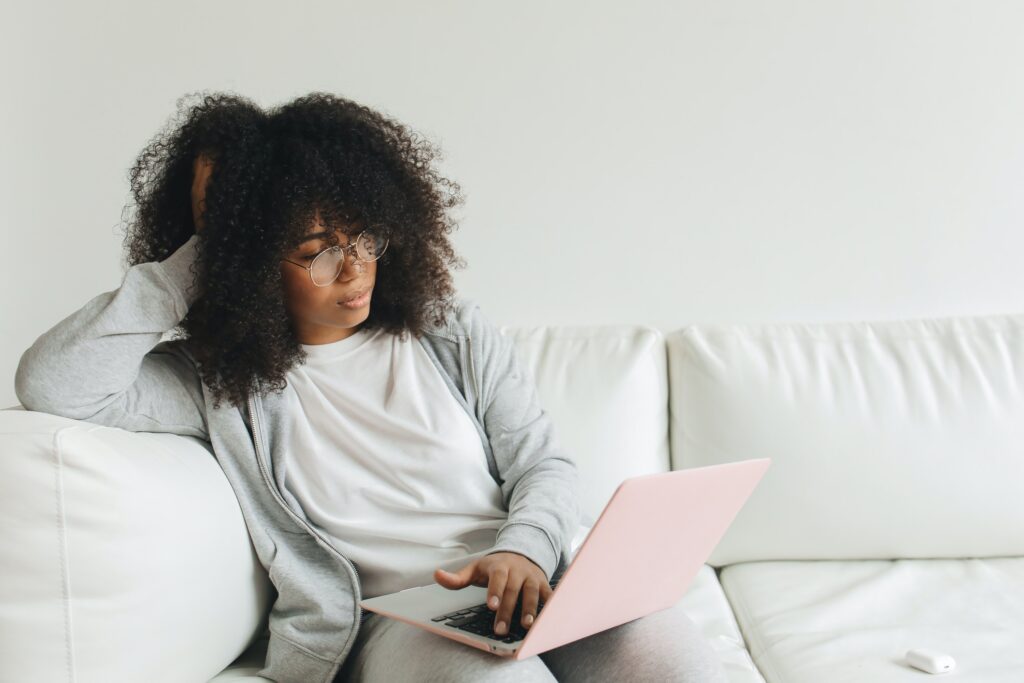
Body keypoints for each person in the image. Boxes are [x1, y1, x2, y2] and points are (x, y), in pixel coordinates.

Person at [15, 91, 728, 683]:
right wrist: (210, 249)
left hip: (536, 576)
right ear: (256, 263)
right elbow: (54, 383)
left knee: (677, 661)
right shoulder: (215, 383)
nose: (354, 269)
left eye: (365, 240)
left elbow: (543, 462)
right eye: (317, 252)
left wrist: (526, 549)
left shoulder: (449, 330)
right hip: (408, 618)